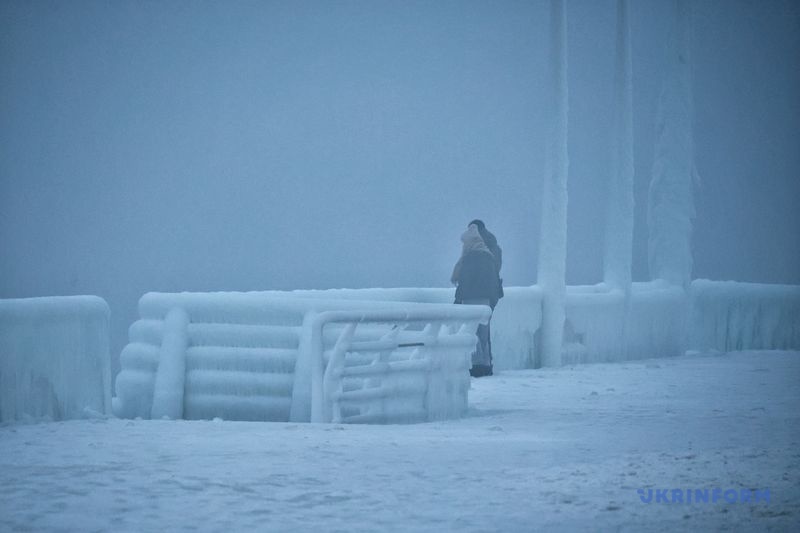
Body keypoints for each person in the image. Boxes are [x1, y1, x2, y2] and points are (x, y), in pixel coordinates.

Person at [451, 223, 501, 377]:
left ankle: (476, 366)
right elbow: (493, 280)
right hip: (486, 300)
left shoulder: (470, 258)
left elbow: (465, 281)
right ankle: (486, 365)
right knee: (484, 334)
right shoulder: (488, 255)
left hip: (471, 300)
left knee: (472, 334)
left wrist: (458, 299)